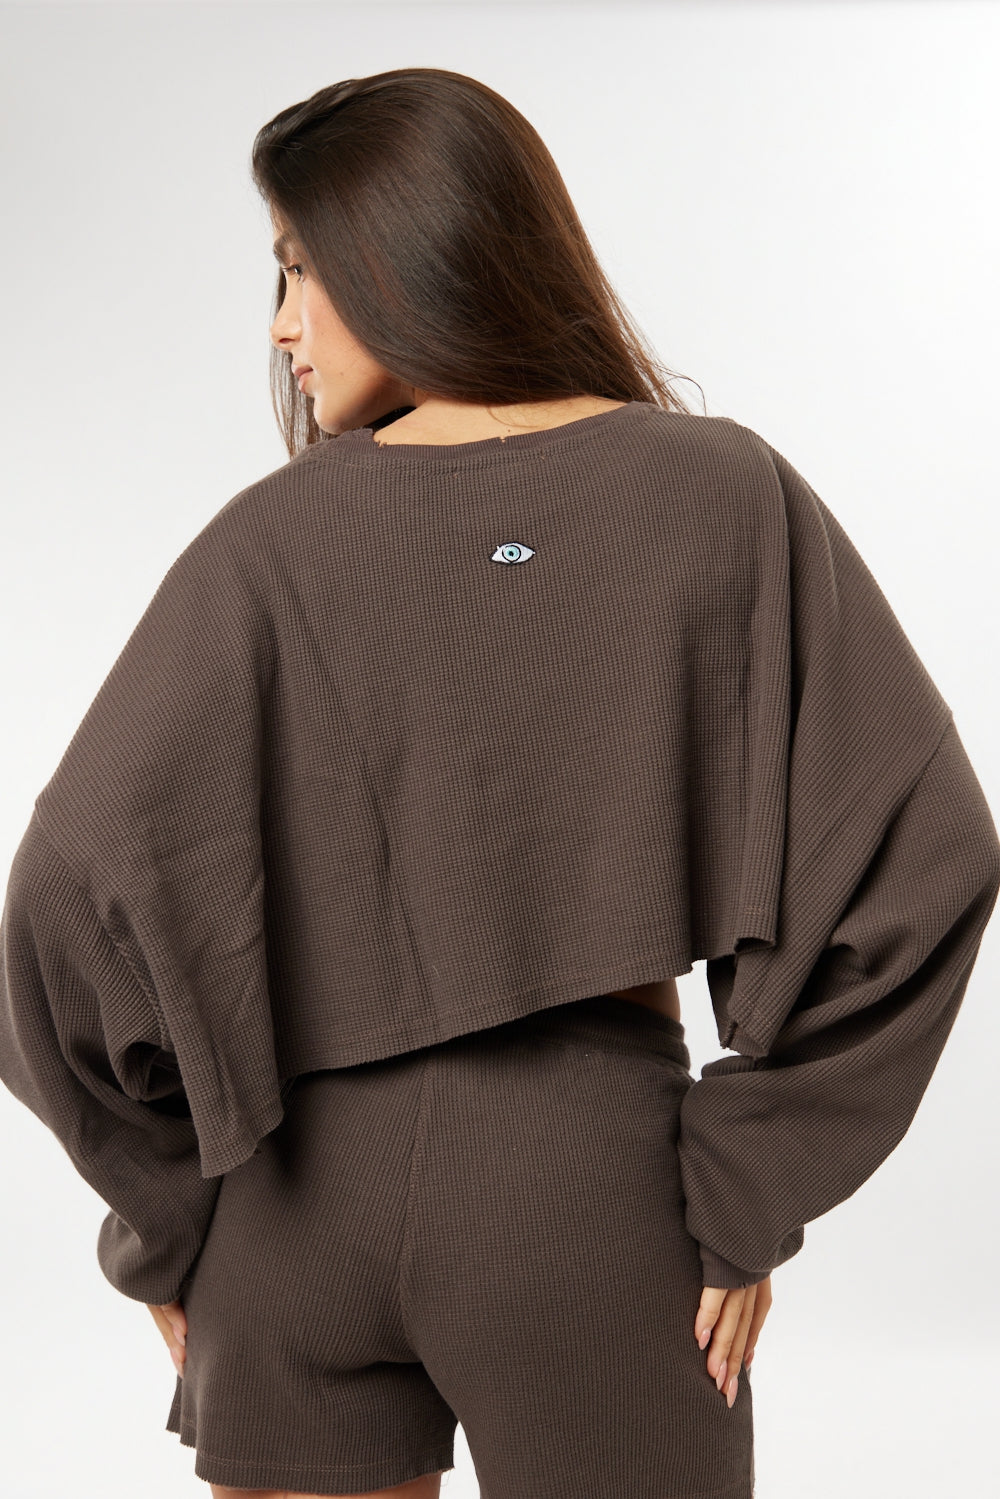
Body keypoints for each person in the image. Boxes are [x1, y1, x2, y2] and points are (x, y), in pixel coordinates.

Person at [2, 67, 998, 1499]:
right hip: (582, 1195)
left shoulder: (265, 546)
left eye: (300, 268)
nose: (280, 324)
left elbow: (61, 904)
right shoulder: (721, 495)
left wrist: (168, 1216)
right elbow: (926, 854)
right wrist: (751, 1174)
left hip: (290, 1210)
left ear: (404, 249)